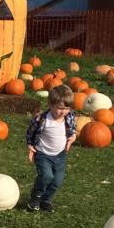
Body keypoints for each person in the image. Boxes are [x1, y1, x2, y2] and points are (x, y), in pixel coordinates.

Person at [25, 84, 77, 212]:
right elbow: (30, 132)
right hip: (43, 154)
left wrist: (73, 136)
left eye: (66, 108)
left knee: (57, 181)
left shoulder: (68, 116)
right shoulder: (42, 119)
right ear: (50, 104)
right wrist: (30, 146)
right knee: (46, 176)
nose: (64, 112)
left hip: (60, 155)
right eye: (60, 108)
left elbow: (72, 129)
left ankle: (46, 200)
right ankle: (35, 198)